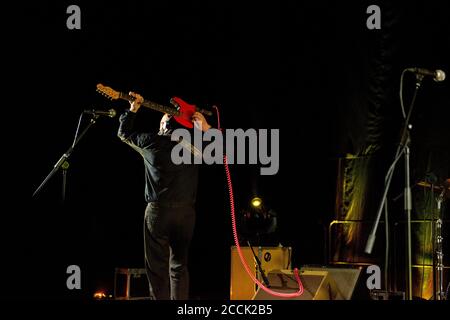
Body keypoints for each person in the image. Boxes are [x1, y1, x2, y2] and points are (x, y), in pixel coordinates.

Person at [117, 91, 211, 300]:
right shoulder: (195, 148)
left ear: (163, 126)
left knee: (157, 269)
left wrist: (133, 110)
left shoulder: (150, 142)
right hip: (186, 215)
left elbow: (124, 133)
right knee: (179, 267)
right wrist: (205, 128)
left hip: (158, 213)